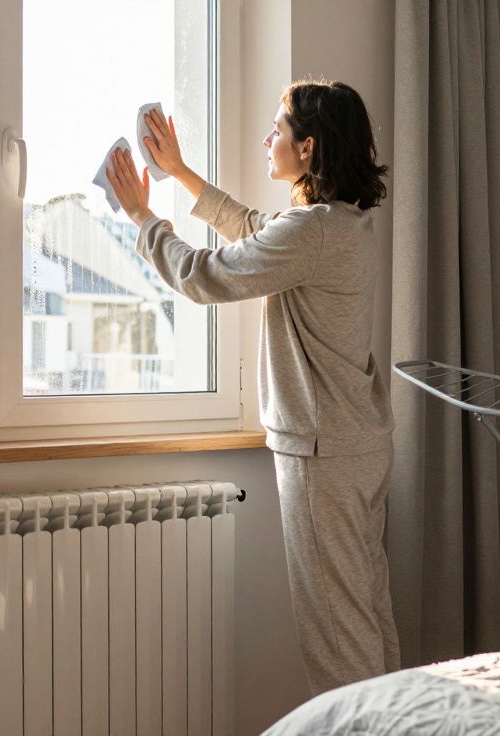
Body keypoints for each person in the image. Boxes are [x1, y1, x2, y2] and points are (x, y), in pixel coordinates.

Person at [106, 79, 397, 695]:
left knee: (338, 633)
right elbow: (255, 226)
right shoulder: (339, 224)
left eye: (278, 129)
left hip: (322, 451)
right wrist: (181, 174)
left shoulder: (312, 232)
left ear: (309, 147)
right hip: (355, 444)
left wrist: (140, 215)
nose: (268, 138)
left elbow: (204, 277)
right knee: (365, 613)